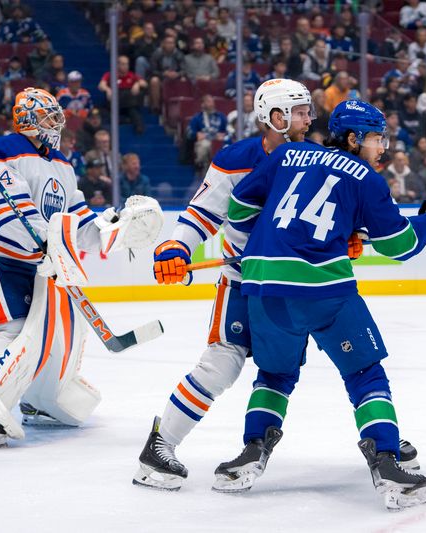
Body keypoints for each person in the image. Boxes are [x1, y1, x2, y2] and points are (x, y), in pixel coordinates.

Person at [214, 100, 426, 510]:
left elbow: (240, 206)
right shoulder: (365, 177)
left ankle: (249, 453)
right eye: (376, 138)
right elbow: (399, 245)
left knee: (274, 374)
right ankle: (386, 460)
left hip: (262, 285)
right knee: (365, 374)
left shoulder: (288, 153)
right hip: (322, 292)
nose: (382, 147)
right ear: (352, 138)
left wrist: (266, 242)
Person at [131, 79, 317, 491]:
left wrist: (350, 235)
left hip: (290, 288)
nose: (309, 118)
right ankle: (159, 447)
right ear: (276, 118)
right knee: (220, 364)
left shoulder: (318, 159)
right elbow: (202, 214)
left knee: (278, 370)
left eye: (308, 110)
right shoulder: (235, 159)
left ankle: (255, 449)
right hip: (241, 282)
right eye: (301, 111)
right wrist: (176, 247)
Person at [0, 87, 159, 446]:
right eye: (48, 116)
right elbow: (6, 212)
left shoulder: (62, 164)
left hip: (31, 259)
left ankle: (42, 399)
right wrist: (47, 240)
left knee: (51, 330)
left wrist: (112, 229)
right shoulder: (5, 149)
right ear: (27, 120)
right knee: (15, 330)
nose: (56, 122)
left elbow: (75, 219)